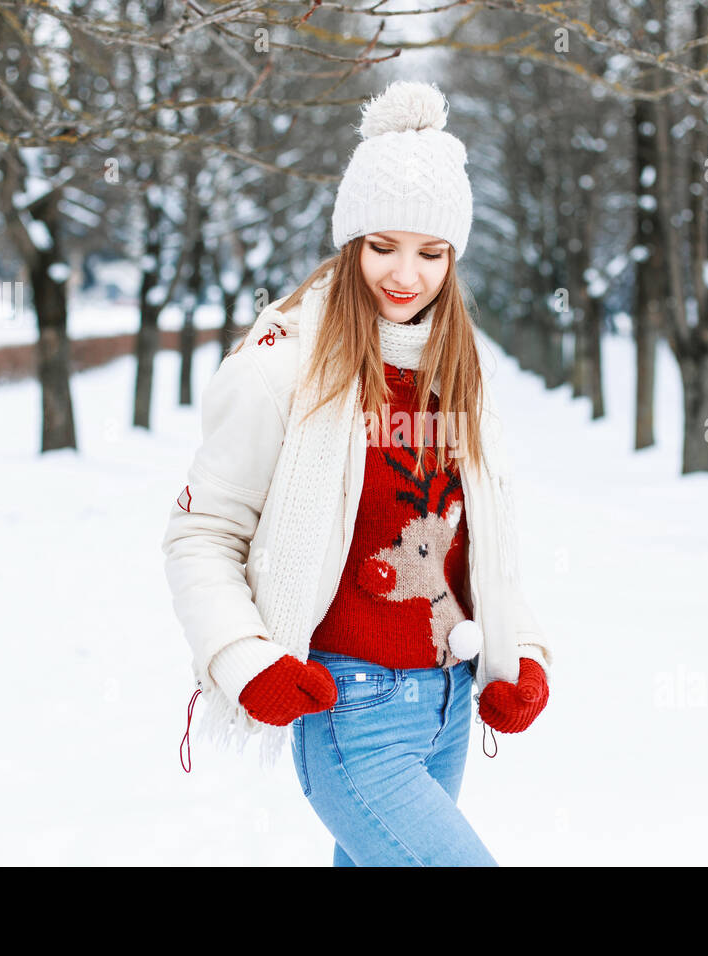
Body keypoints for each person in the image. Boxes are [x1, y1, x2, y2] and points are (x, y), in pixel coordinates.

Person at [160, 80, 553, 867]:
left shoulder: (459, 373)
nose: (405, 275)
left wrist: (523, 653)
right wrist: (244, 656)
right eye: (383, 246)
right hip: (352, 711)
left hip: (447, 707)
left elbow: (483, 543)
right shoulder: (284, 367)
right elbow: (201, 532)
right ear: (349, 241)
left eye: (432, 253)